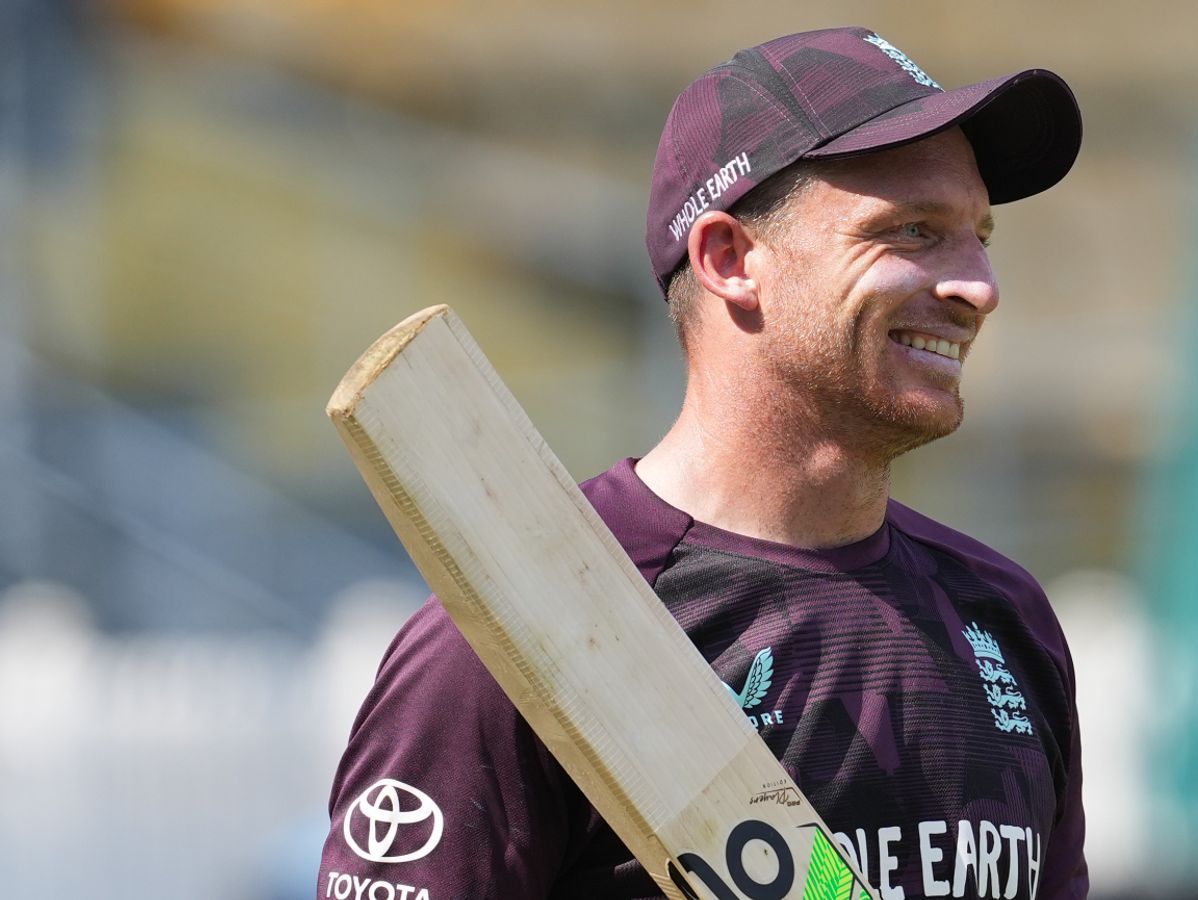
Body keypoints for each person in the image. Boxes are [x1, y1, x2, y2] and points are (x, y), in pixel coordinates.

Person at [317, 26, 1086, 900]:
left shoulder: (1005, 615)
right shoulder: (523, 630)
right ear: (730, 260)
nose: (979, 287)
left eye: (980, 235)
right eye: (913, 232)